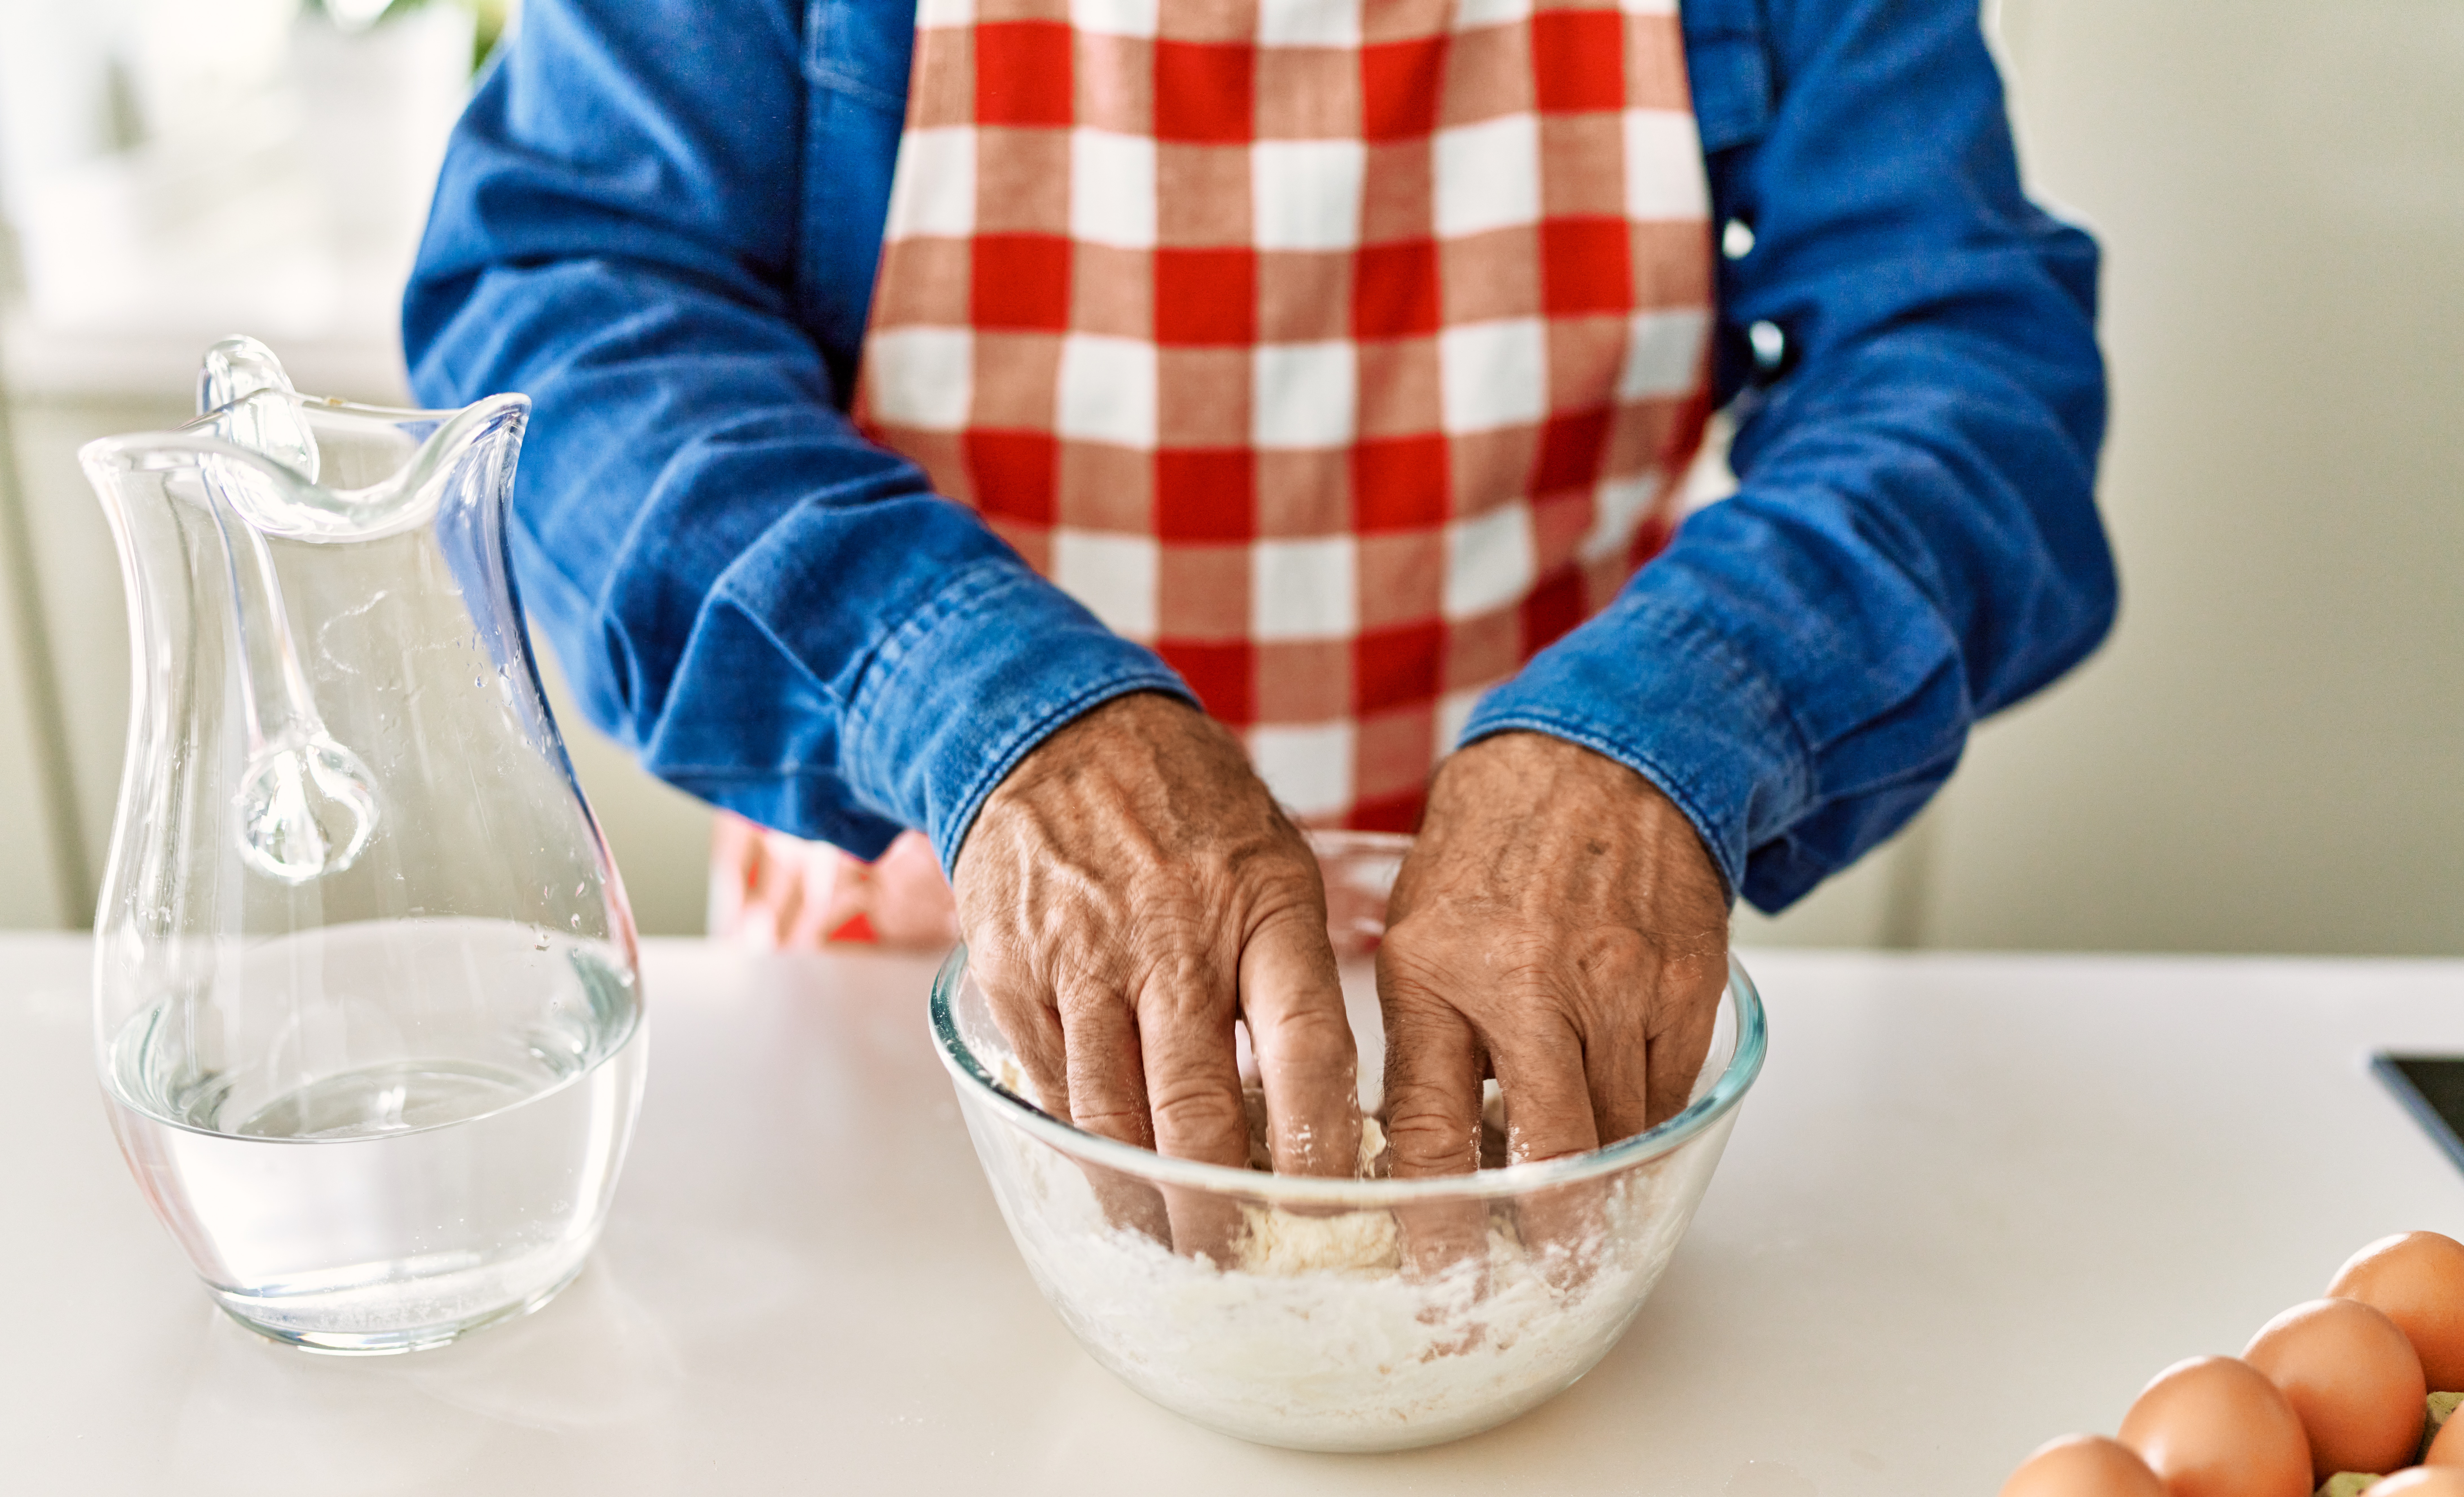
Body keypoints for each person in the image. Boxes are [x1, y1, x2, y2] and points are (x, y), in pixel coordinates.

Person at [404, 0, 2115, 1216]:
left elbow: (1959, 362)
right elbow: (569, 311)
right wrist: (974, 703)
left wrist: (1679, 722)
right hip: (904, 1019)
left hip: (1542, 1061)